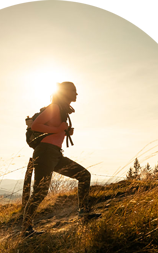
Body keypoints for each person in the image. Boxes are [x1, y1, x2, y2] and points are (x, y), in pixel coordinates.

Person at [22, 82, 100, 237]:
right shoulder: (55, 107)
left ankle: (84, 213)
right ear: (65, 92)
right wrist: (58, 129)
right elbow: (36, 125)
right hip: (45, 153)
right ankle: (26, 229)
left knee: (84, 175)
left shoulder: (62, 110)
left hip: (55, 154)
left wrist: (65, 132)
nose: (76, 94)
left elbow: (52, 129)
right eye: (73, 91)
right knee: (40, 192)